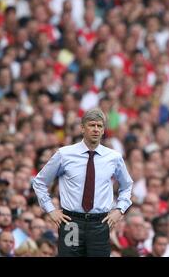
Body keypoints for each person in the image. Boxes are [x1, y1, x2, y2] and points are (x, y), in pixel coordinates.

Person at [32, 108, 133, 257]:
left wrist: (120, 210)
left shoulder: (113, 157)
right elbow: (39, 182)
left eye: (99, 126)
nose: (96, 129)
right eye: (92, 125)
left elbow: (127, 185)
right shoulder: (64, 154)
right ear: (82, 128)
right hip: (71, 222)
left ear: (104, 130)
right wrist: (51, 210)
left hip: (100, 223)